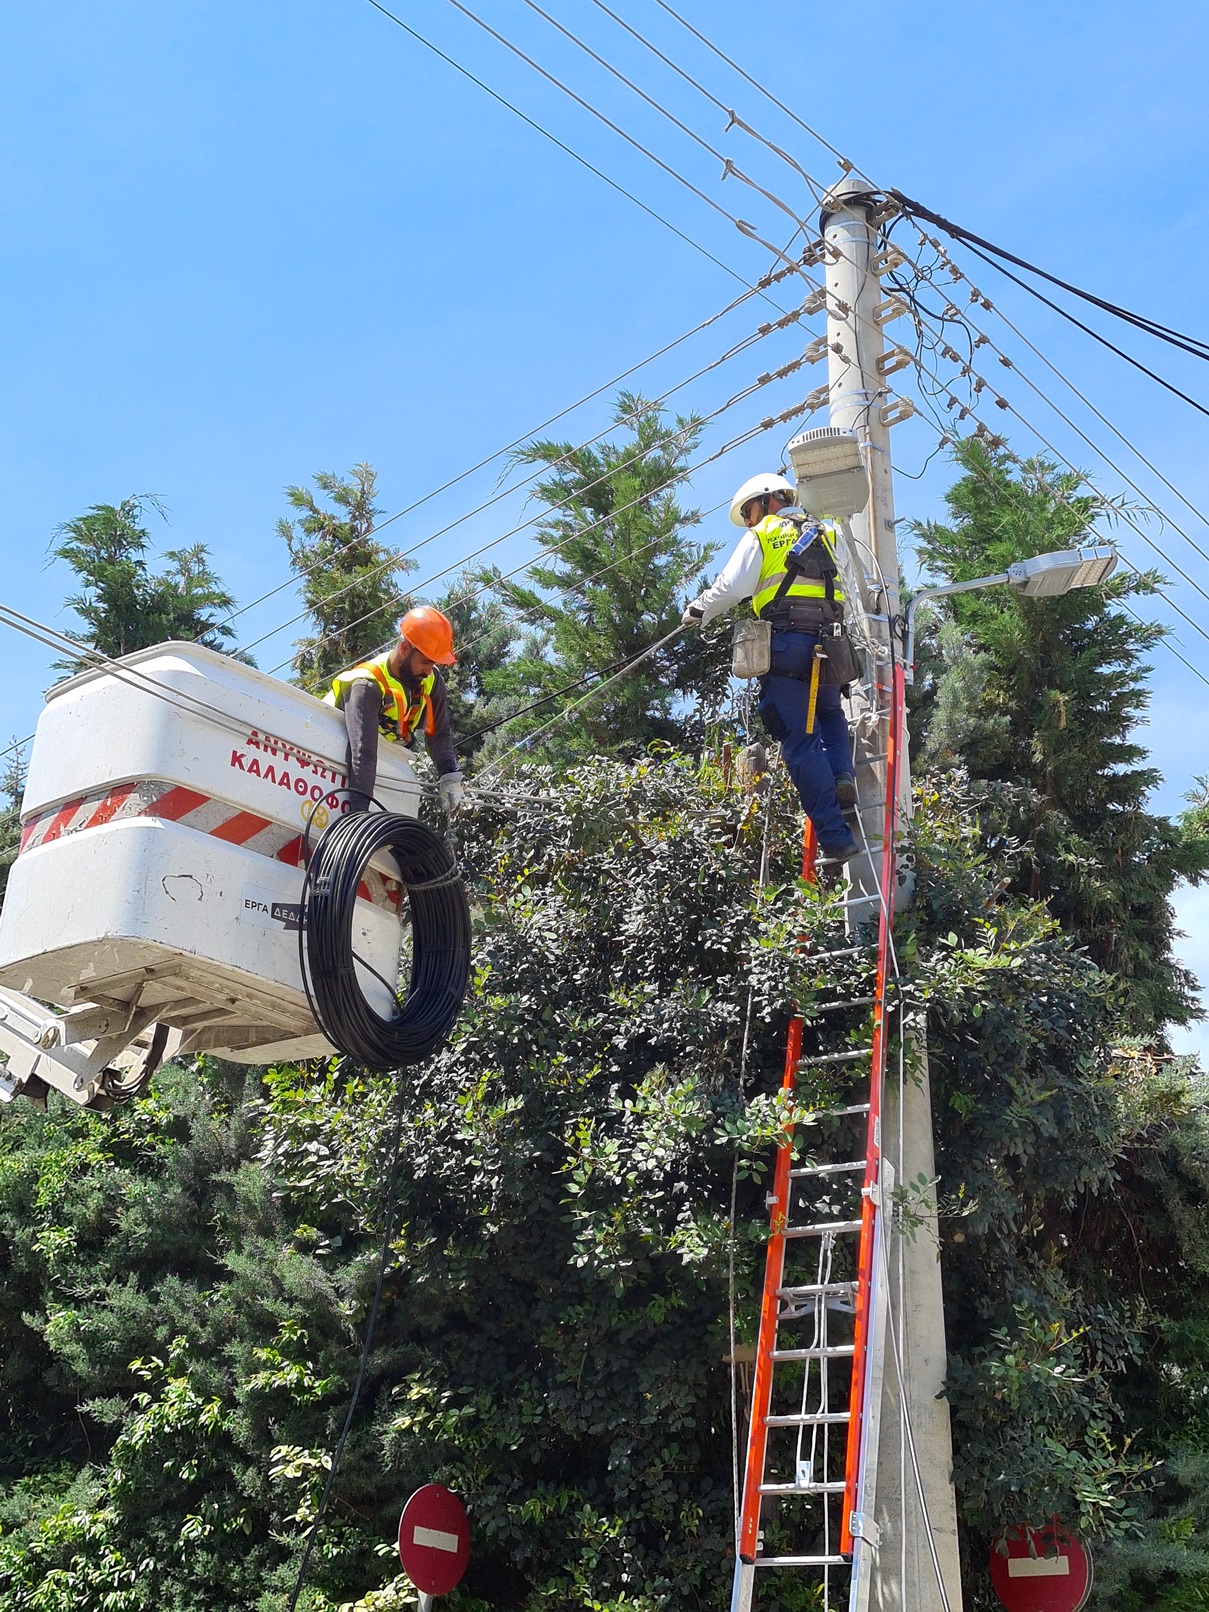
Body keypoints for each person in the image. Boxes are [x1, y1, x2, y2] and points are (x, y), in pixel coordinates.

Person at [682, 473, 859, 861]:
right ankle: (841, 775)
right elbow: (852, 588)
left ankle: (835, 838)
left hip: (788, 643)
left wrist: (699, 610)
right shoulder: (829, 533)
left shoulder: (764, 533)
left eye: (748, 511)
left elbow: (732, 587)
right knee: (829, 712)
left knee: (798, 739)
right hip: (832, 644)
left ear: (767, 501)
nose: (748, 520)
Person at [325, 606, 466, 815]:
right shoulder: (367, 684)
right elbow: (362, 752)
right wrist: (357, 818)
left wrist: (449, 776)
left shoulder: (430, 680)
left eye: (434, 663)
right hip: (328, 759)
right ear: (405, 649)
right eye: (426, 661)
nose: (429, 670)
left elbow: (439, 734)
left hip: (378, 768)